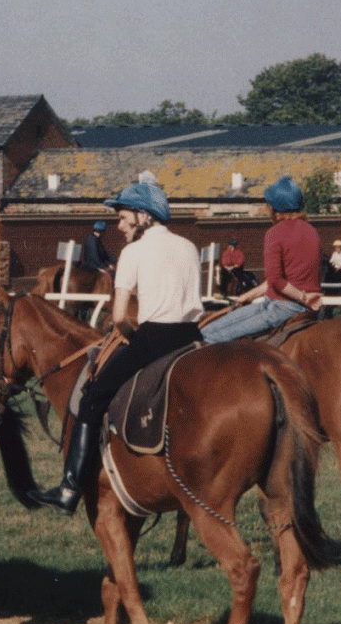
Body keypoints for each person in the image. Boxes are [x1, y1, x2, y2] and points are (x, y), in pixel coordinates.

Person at [29, 178, 203, 515]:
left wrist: (127, 334)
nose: (119, 227)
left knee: (92, 398)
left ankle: (69, 488)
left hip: (154, 338)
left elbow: (120, 316)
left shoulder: (133, 252)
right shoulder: (188, 247)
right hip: (194, 337)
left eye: (123, 218)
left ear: (143, 216)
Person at [200, 176, 323, 345]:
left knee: (208, 335)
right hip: (299, 307)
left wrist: (303, 297)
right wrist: (248, 296)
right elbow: (279, 280)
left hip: (282, 308)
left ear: (275, 207)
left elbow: (276, 279)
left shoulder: (275, 233)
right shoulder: (312, 231)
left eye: (269, 205)